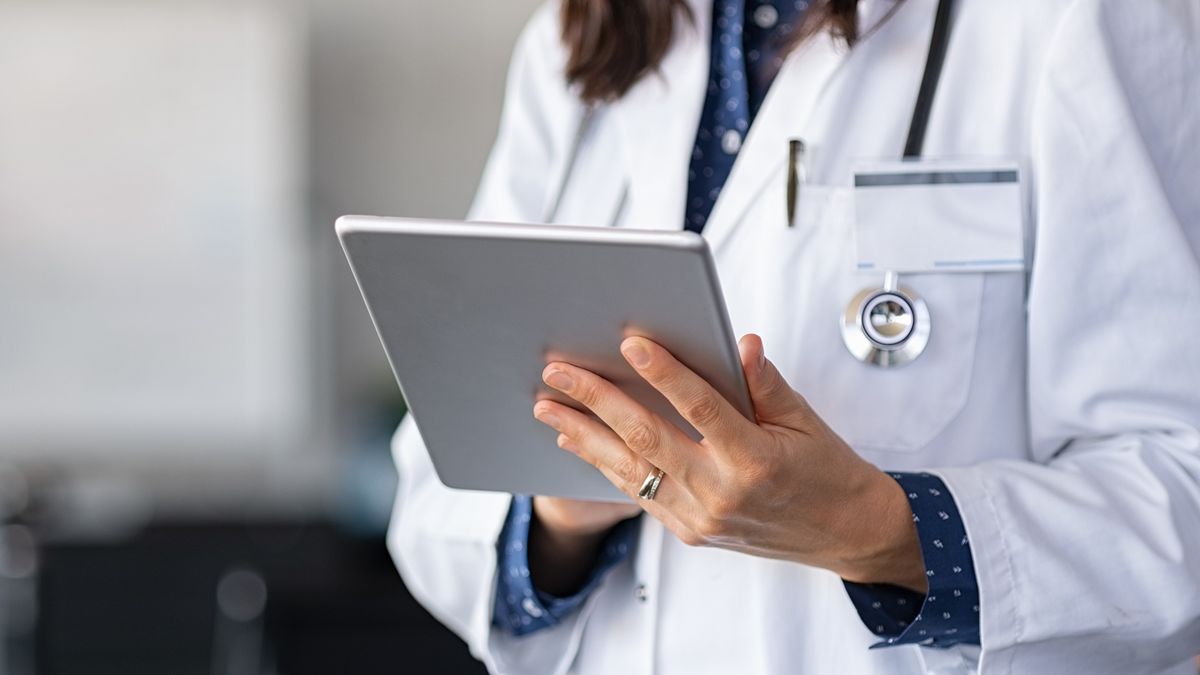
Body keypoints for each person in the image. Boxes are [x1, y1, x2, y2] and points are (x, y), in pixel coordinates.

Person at [387, 0, 1200, 673]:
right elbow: (436, 492)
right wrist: (562, 511)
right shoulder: (577, 41)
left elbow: (1180, 488)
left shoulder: (1078, 19)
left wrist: (881, 529)